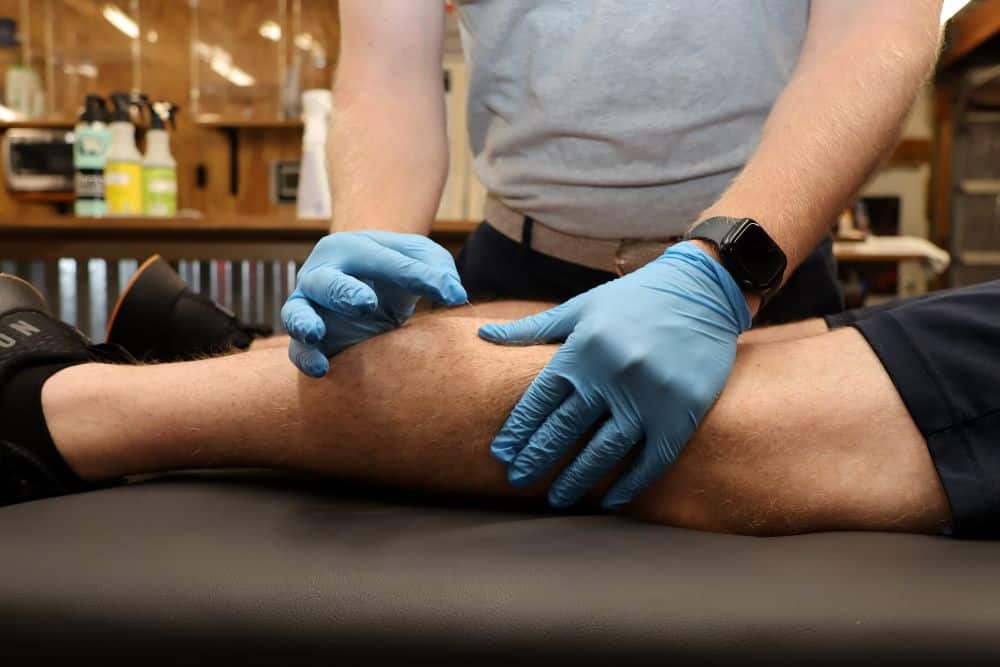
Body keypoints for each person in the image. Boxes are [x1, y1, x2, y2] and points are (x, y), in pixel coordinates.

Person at [280, 1, 945, 509]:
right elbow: (386, 72)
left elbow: (877, 29)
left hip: (760, 279)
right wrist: (373, 240)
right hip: (516, 281)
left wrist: (724, 270)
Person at [3, 260, 998, 538]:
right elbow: (388, 65)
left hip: (761, 232)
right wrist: (368, 237)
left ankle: (54, 406)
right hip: (525, 233)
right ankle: (235, 361)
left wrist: (730, 254)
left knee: (710, 398)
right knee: (782, 362)